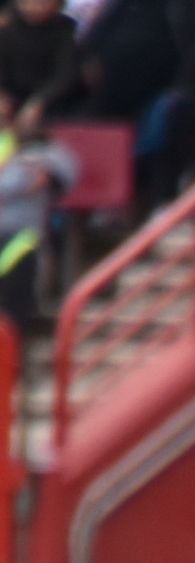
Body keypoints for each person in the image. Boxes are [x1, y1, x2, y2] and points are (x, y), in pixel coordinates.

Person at [0, 115, 72, 330]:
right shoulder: (8, 148)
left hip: (21, 240)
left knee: (15, 306)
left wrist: (24, 174)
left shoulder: (49, 153)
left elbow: (52, 175)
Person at [0, 0, 80, 135]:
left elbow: (65, 75)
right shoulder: (7, 28)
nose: (34, 7)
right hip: (11, 102)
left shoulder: (63, 31)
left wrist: (39, 102)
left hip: (53, 106)